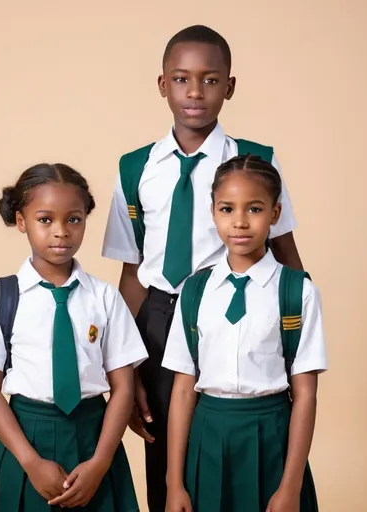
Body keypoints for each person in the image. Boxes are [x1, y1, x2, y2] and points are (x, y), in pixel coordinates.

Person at [102, 24, 302, 511]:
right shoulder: (135, 168)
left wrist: (294, 342)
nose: (195, 92)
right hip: (157, 317)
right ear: (162, 84)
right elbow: (133, 271)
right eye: (181, 79)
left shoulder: (254, 164)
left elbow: (288, 256)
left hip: (229, 314)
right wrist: (124, 365)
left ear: (230, 86)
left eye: (211, 80)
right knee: (164, 446)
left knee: (234, 438)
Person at [0, 163, 147, 511]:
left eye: (73, 219)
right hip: (26, 437)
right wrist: (30, 462)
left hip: (95, 436)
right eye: (45, 219)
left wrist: (101, 463)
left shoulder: (105, 298)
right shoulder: (1, 297)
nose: (61, 231)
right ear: (21, 222)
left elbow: (123, 386)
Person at [163, 154, 327, 512]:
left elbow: (306, 396)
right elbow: (182, 391)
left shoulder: (296, 292)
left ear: (275, 214)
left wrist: (291, 487)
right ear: (212, 213)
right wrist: (174, 483)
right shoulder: (194, 290)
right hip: (207, 436)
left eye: (254, 209)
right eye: (226, 209)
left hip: (272, 437)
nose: (239, 222)